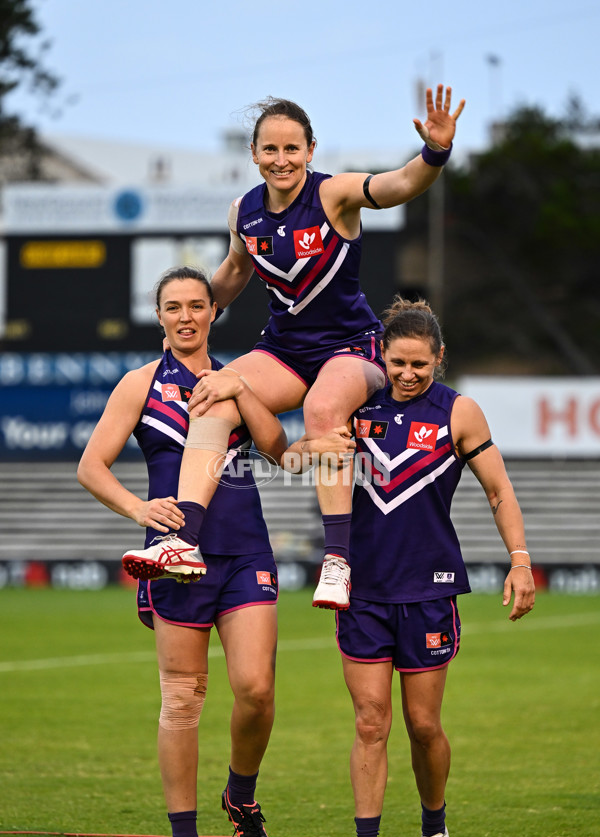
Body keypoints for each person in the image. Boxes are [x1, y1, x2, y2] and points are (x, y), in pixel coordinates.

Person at [122, 85, 466, 611]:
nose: (281, 159)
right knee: (212, 392)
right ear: (254, 154)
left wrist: (435, 151)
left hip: (352, 348)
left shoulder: (334, 195)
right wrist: (196, 313)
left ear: (310, 150)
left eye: (291, 148)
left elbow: (400, 183)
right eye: (270, 149)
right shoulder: (244, 212)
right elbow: (235, 270)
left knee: (322, 409)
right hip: (284, 350)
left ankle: (337, 562)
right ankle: (183, 541)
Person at [298, 296, 535, 837]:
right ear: (381, 355)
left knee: (423, 725)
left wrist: (520, 560)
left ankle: (435, 835)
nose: (407, 374)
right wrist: (302, 448)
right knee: (369, 722)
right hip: (361, 591)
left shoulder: (460, 412)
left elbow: (499, 491)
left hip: (428, 588)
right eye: (398, 362)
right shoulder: (355, 405)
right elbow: (305, 457)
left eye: (419, 365)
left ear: (439, 358)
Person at [77, 266, 291, 837]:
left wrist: (241, 391)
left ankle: (241, 797)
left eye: (197, 305)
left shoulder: (237, 378)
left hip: (245, 551)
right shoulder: (139, 384)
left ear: (213, 312)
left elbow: (279, 450)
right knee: (181, 699)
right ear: (159, 316)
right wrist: (139, 509)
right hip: (175, 559)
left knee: (256, 690)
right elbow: (92, 466)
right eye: (173, 307)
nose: (186, 316)